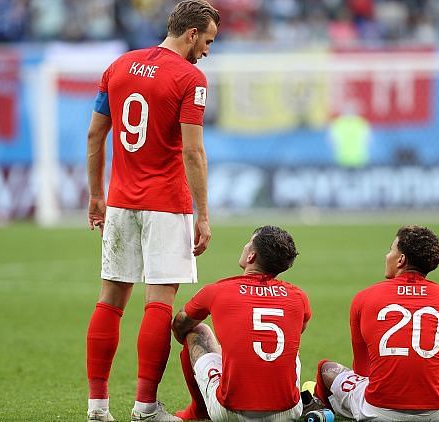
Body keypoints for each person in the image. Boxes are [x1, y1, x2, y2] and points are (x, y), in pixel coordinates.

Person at [84, 1, 220, 421]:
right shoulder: (189, 78)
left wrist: (95, 195)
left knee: (109, 301)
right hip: (166, 204)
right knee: (158, 304)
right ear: (192, 33)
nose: (208, 51)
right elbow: (193, 152)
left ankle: (97, 408)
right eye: (209, 41)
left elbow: (95, 135)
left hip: (121, 202)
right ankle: (145, 408)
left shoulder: (118, 66)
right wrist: (203, 214)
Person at [311, 225, 439, 421]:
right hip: (438, 412)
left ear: (401, 259)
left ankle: (317, 404)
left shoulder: (364, 297)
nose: (386, 255)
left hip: (377, 410)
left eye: (391, 250)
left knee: (327, 368)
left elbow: (363, 371)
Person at [171, 225, 312, 422]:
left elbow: (179, 325)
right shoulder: (299, 297)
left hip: (230, 411)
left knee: (198, 330)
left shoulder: (218, 290)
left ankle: (198, 412)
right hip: (288, 411)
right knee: (291, 348)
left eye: (248, 243)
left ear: (251, 257)